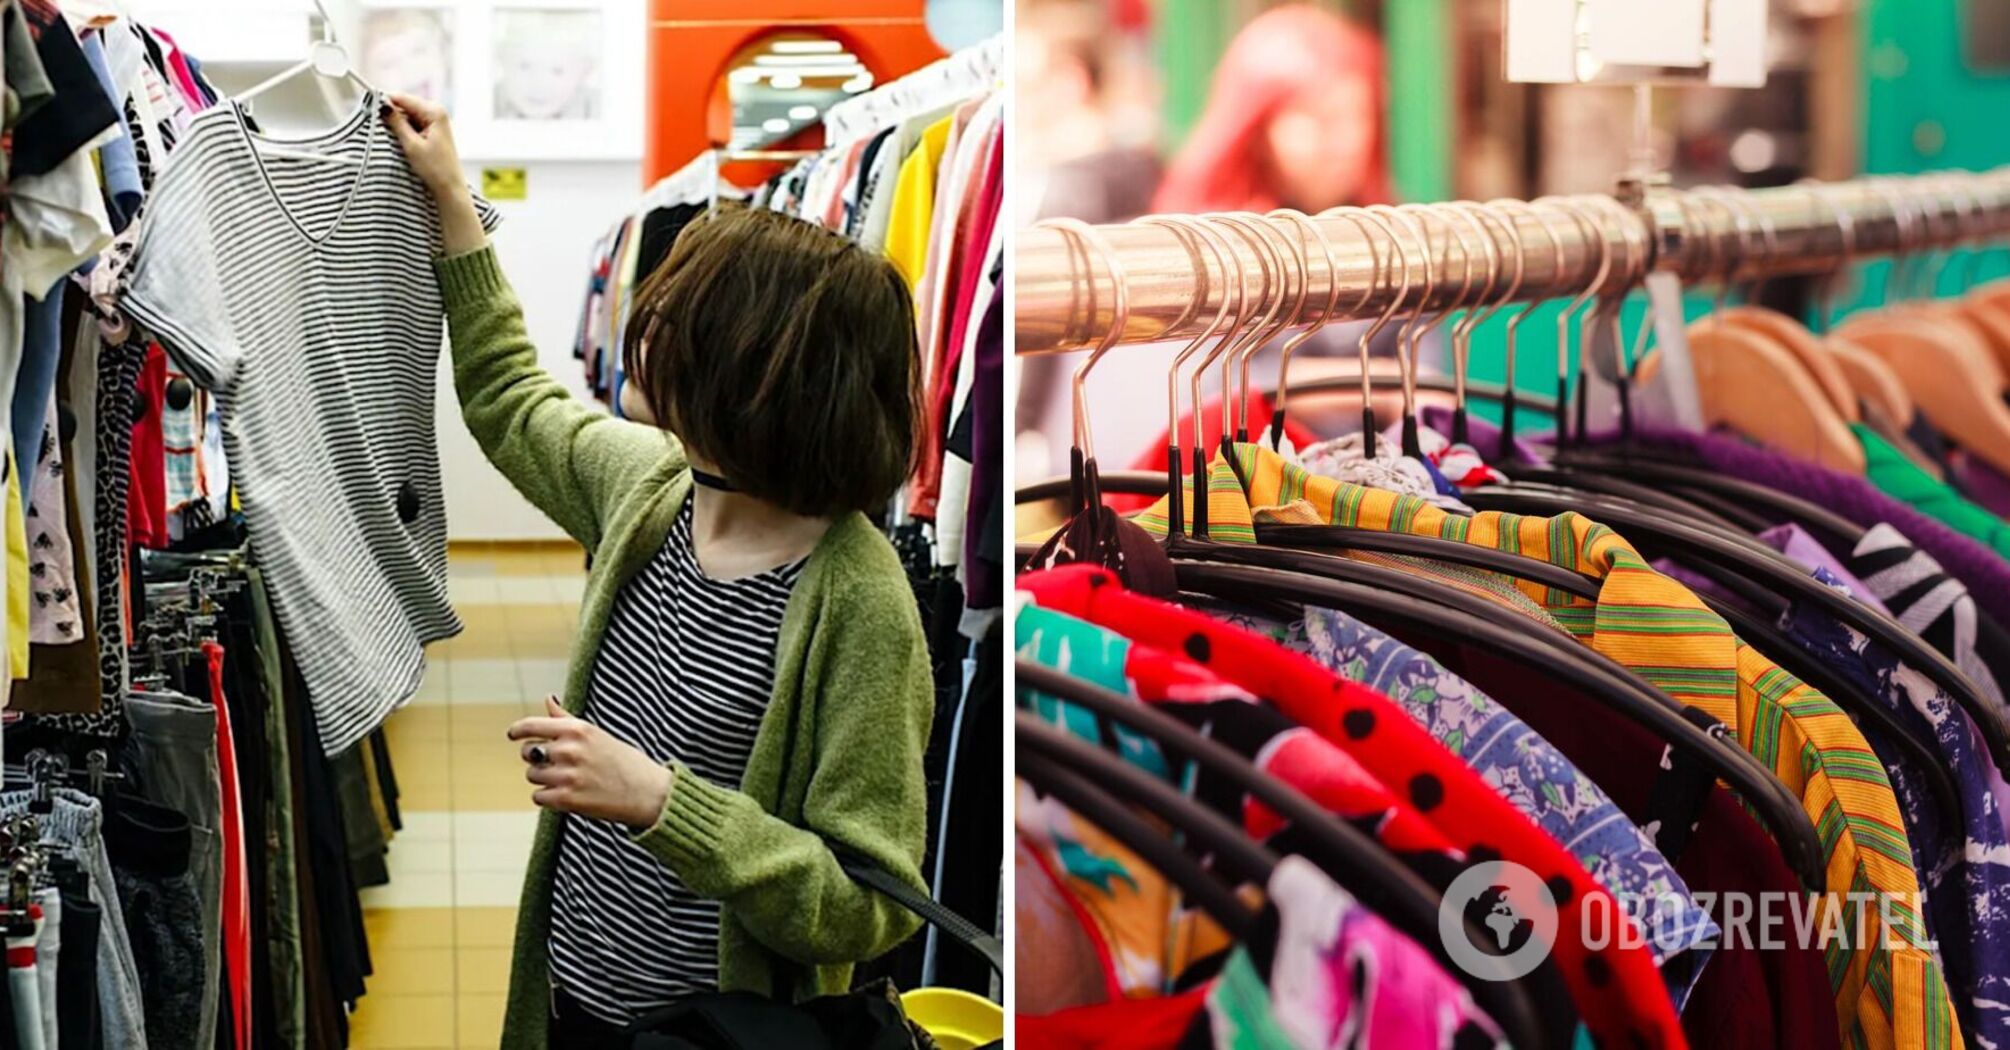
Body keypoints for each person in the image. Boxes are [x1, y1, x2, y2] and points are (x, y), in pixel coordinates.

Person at [384, 94, 934, 1048]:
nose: (650, 325)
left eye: (685, 321)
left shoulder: (859, 599)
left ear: (761, 377)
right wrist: (451, 201)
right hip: (571, 996)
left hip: (715, 1034)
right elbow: (511, 397)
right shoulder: (649, 486)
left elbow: (868, 905)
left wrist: (660, 803)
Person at [1150, 4, 1392, 214]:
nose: (1347, 143)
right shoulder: (1212, 237)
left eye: (1358, 116)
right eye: (1322, 119)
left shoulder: (1386, 226)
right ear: (1259, 132)